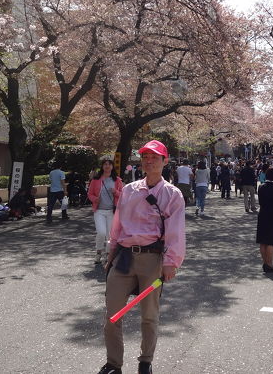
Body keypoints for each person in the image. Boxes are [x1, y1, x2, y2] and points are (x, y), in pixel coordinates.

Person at [98, 140, 185, 374]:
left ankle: (145, 361)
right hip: (124, 257)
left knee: (149, 315)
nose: (148, 160)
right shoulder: (129, 190)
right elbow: (117, 225)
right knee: (112, 313)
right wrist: (111, 253)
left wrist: (171, 263)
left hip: (153, 260)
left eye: (154, 157)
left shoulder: (172, 195)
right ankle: (113, 364)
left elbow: (176, 232)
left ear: (165, 161)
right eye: (145, 156)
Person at [88, 158, 124, 264]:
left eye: (109, 164)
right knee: (101, 232)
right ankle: (98, 251)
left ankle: (108, 254)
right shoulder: (95, 180)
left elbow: (123, 195)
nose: (107, 166)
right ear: (102, 166)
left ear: (112, 167)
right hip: (99, 210)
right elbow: (89, 194)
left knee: (110, 235)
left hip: (112, 211)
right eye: (105, 164)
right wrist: (95, 199)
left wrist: (116, 192)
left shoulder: (117, 180)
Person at [256, 167, 273, 273]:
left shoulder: (261, 187)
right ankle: (269, 264)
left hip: (262, 214)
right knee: (271, 242)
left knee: (262, 241)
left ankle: (265, 263)